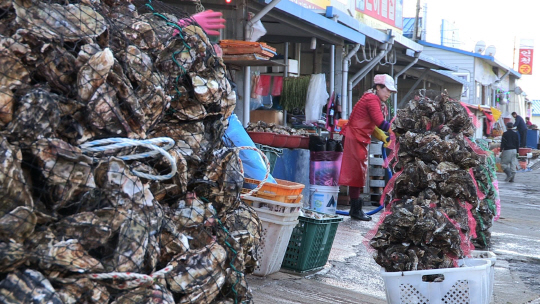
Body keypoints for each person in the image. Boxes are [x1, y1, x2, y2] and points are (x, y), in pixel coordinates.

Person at [338, 74, 394, 221]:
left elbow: (374, 124)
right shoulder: (371, 99)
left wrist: (383, 136)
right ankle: (355, 210)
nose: (388, 94)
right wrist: (397, 130)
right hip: (354, 137)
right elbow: (380, 122)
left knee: (358, 174)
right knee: (355, 174)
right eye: (386, 90)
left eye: (390, 91)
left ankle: (355, 209)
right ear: (378, 87)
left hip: (359, 138)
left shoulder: (374, 99)